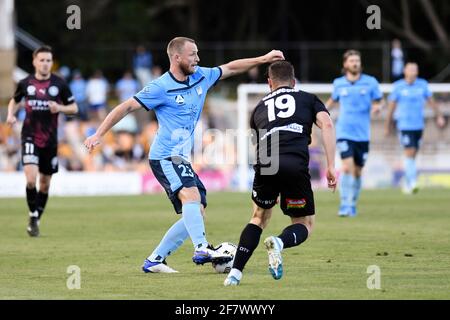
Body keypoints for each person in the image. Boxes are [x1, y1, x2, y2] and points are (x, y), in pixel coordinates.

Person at [84, 37, 284, 273]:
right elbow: (126, 106)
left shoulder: (201, 75)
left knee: (197, 210)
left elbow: (230, 67)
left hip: (181, 157)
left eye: (197, 54)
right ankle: (201, 247)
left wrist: (262, 59)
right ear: (177, 57)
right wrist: (99, 134)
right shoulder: (160, 87)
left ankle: (155, 260)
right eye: (193, 54)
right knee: (191, 197)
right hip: (165, 155)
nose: (197, 59)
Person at [224, 61, 337, 286]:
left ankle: (234, 274)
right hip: (294, 163)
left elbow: (258, 144)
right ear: (293, 82)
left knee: (258, 217)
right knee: (304, 223)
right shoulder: (308, 98)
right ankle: (279, 243)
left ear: (269, 83)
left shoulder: (257, 108)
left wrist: (270, 180)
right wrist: (331, 165)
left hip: (266, 163)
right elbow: (327, 125)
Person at [6, 45, 78, 237]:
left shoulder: (60, 84)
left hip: (50, 140)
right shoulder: (25, 83)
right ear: (34, 61)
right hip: (29, 135)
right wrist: (11, 115)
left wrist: (60, 108)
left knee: (44, 184)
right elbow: (15, 100)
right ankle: (32, 214)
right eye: (42, 60)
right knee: (31, 179)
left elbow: (74, 108)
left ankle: (35, 219)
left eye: (48, 60)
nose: (46, 64)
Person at [325, 50, 383, 217]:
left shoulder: (371, 82)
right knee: (348, 168)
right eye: (351, 61)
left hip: (363, 135)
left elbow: (379, 101)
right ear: (345, 64)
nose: (355, 63)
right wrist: (318, 113)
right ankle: (345, 205)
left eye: (357, 60)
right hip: (344, 132)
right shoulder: (338, 83)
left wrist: (378, 107)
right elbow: (332, 101)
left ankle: (352, 203)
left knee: (357, 171)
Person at [385, 62, 446, 194]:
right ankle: (412, 182)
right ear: (405, 71)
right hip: (404, 125)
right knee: (409, 152)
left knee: (413, 154)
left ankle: (407, 182)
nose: (413, 72)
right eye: (410, 69)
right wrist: (387, 125)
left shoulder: (422, 85)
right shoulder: (398, 86)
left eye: (415, 69)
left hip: (418, 125)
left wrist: (439, 116)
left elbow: (431, 102)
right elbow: (391, 107)